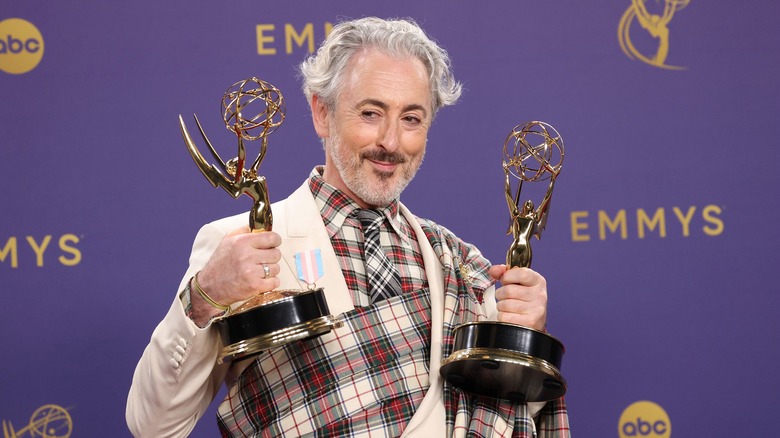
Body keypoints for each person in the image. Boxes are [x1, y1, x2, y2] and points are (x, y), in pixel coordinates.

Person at [126, 16, 570, 437]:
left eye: (411, 119)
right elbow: (153, 426)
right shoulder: (238, 246)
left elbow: (505, 412)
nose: (391, 142)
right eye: (371, 113)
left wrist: (526, 333)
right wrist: (204, 298)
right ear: (322, 113)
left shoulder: (459, 262)